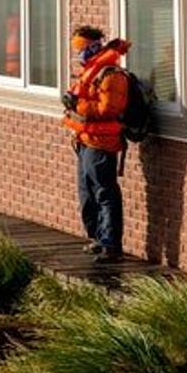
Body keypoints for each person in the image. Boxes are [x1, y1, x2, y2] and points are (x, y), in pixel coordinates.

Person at [62, 25, 130, 263]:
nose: (78, 54)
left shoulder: (110, 73)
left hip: (102, 142)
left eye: (81, 48)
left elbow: (109, 108)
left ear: (93, 46)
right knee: (87, 192)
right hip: (84, 139)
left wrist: (76, 105)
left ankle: (111, 244)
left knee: (104, 191)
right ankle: (97, 238)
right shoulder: (91, 70)